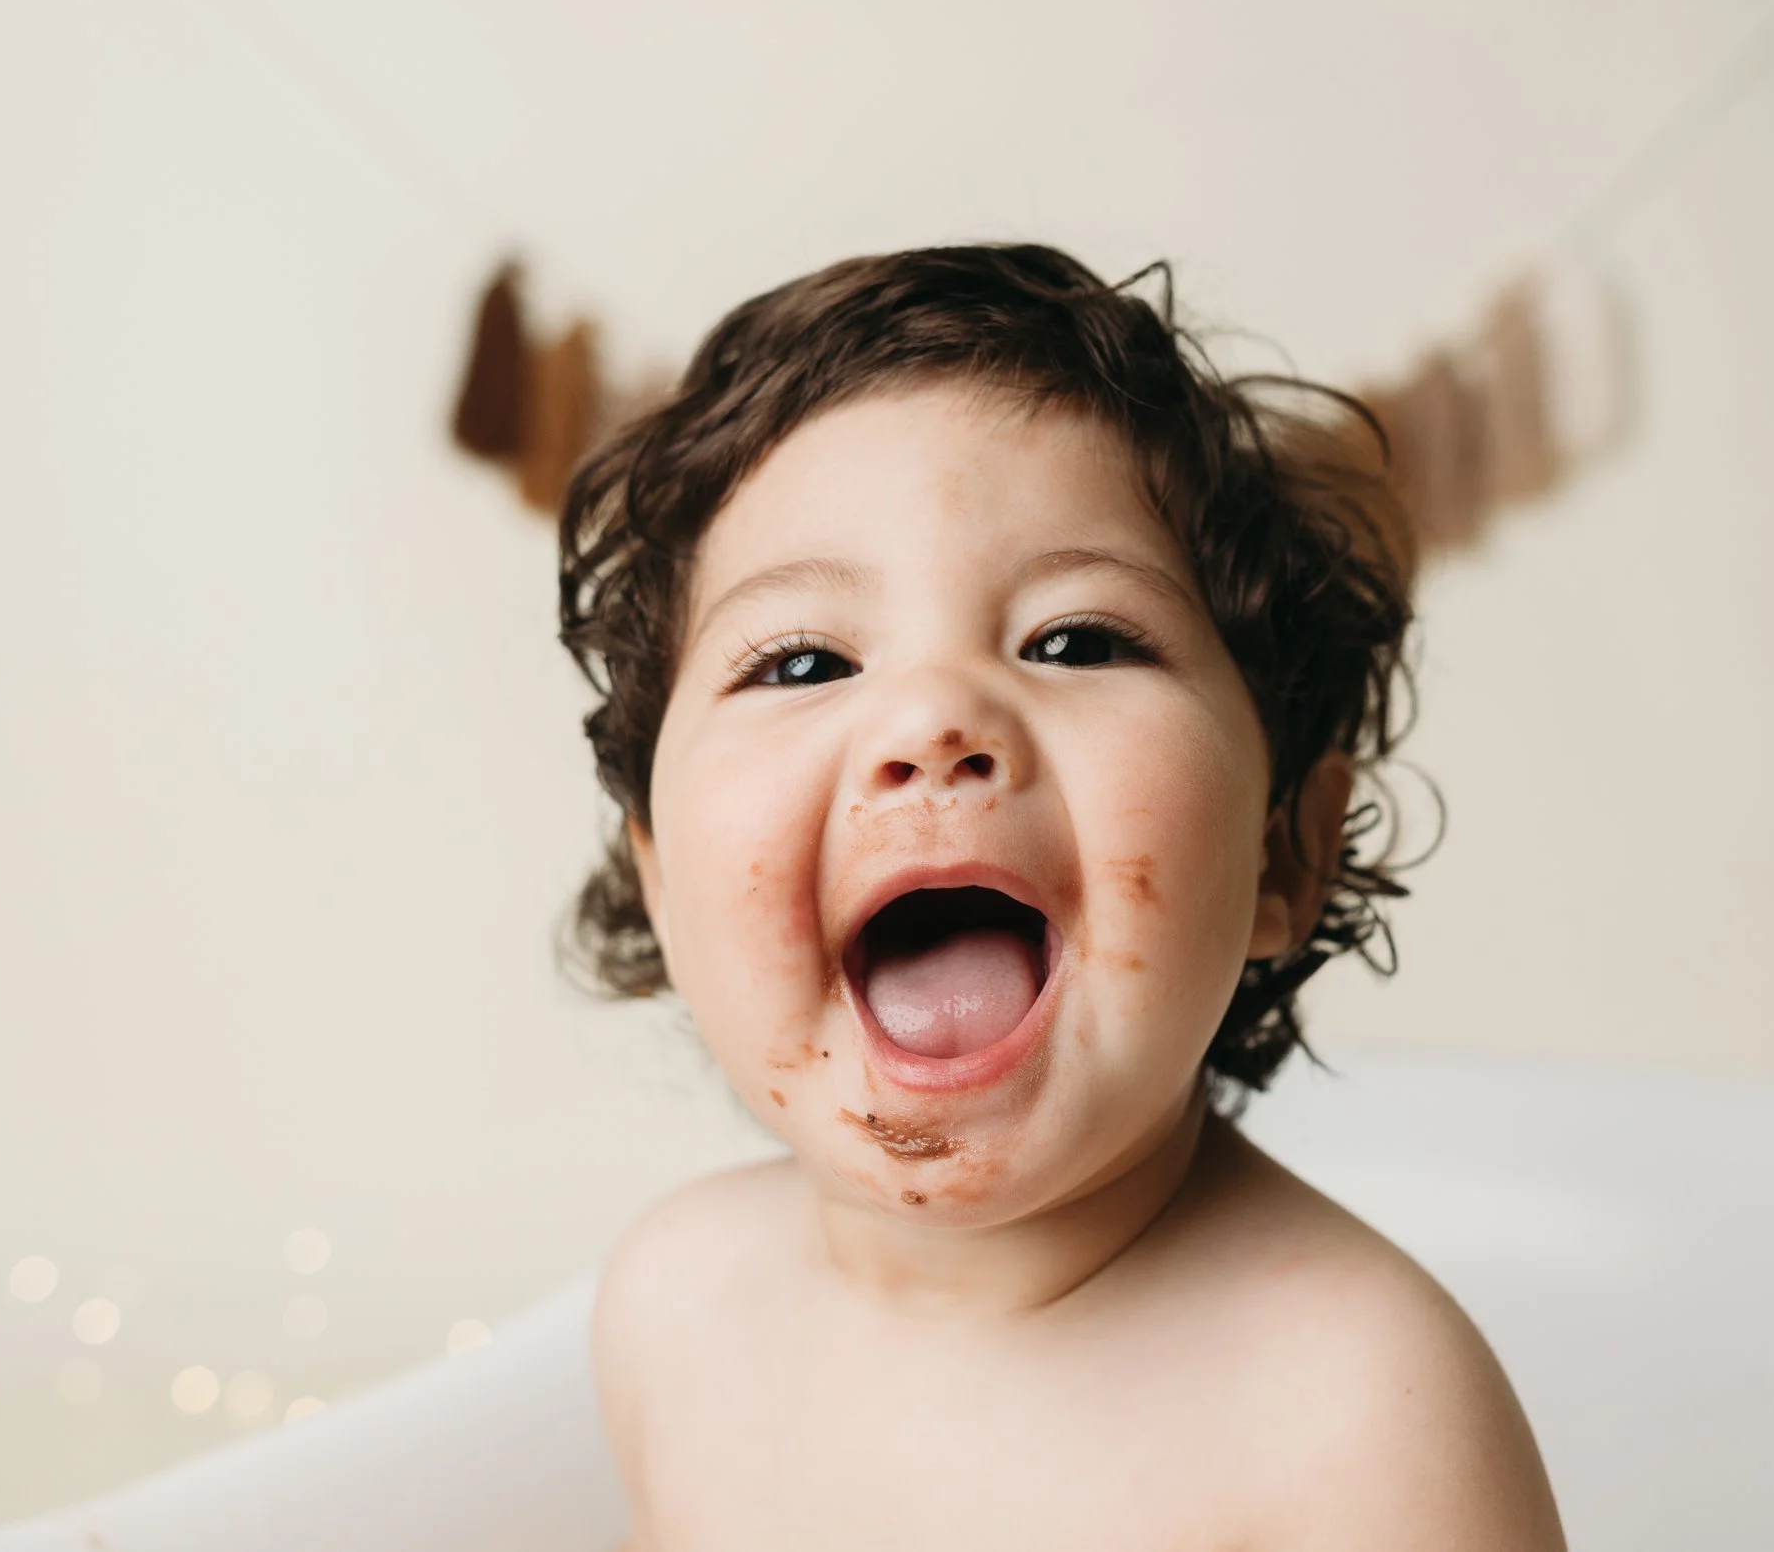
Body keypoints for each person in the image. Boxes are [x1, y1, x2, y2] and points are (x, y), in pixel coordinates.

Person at [559, 244, 1564, 1550]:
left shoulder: (1358, 1414)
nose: (932, 719)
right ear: (659, 879)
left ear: (1282, 853)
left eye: (1076, 640)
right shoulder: (676, 1307)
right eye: (805, 662)